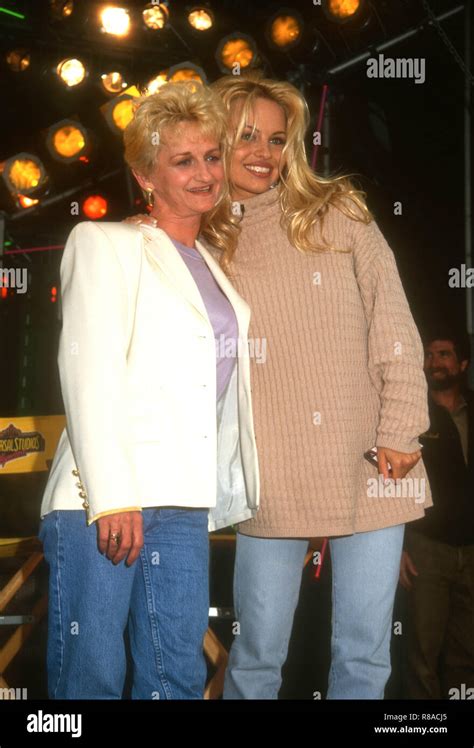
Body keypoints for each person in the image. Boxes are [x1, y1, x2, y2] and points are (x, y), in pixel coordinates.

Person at [129, 72, 433, 700]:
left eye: (276, 138)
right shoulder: (203, 240)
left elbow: (393, 322)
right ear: (214, 139)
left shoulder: (337, 211)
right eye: (244, 137)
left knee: (364, 655)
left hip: (374, 460)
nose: (263, 153)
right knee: (258, 651)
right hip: (270, 470)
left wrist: (402, 424)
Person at [38, 81, 259, 700]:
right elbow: (89, 369)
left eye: (212, 156)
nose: (204, 172)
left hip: (185, 501)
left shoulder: (214, 261)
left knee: (178, 680)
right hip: (102, 501)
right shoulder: (105, 242)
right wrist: (113, 498)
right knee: (91, 682)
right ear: (145, 174)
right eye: (182, 160)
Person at [400, 326, 474, 699]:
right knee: (422, 656)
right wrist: (397, 546)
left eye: (444, 355)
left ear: (462, 363)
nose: (435, 363)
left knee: (466, 656)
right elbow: (389, 480)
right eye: (429, 355)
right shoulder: (412, 413)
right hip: (425, 549)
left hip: (472, 552)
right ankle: (422, 726)